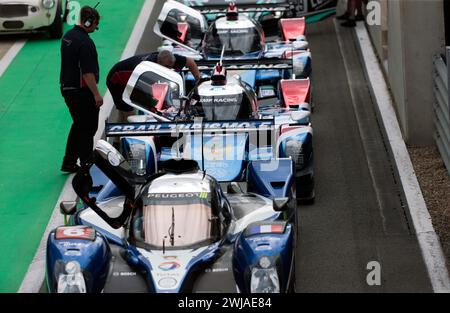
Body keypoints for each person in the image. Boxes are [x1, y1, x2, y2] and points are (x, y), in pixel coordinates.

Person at [60, 6, 102, 173]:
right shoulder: (85, 42)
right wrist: (97, 94)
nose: (95, 28)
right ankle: (87, 163)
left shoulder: (68, 36)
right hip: (81, 91)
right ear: (89, 21)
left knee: (78, 125)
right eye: (95, 24)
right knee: (88, 127)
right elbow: (87, 74)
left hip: (67, 88)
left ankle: (69, 162)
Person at [106, 49, 201, 122]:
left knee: (123, 112)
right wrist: (160, 117)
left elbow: (190, 62)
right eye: (167, 67)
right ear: (158, 62)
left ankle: (116, 141)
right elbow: (150, 99)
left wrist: (198, 82)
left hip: (129, 75)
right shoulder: (148, 72)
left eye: (171, 67)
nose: (169, 69)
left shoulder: (169, 59)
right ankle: (124, 141)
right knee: (130, 115)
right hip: (117, 81)